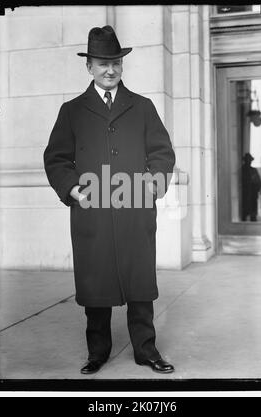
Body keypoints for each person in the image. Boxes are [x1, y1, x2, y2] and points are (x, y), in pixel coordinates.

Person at [44, 25, 176, 375]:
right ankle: (97, 352)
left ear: (122, 64)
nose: (110, 69)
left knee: (140, 285)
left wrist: (154, 181)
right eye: (102, 63)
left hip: (134, 210)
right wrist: (72, 188)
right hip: (93, 214)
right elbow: (56, 158)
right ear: (89, 66)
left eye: (115, 62)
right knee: (95, 285)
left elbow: (162, 153)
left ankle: (146, 351)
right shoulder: (71, 111)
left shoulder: (143, 107)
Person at [241, 153, 261, 222]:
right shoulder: (242, 170)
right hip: (245, 193)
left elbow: (259, 181)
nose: (249, 162)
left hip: (253, 193)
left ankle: (252, 217)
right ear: (245, 161)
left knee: (253, 209)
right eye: (247, 160)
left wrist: (257, 187)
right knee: (245, 210)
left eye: (250, 160)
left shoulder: (253, 170)